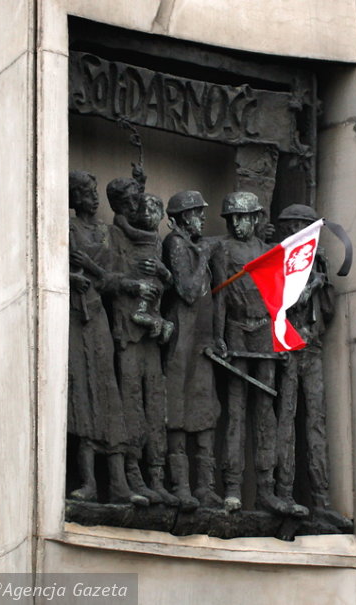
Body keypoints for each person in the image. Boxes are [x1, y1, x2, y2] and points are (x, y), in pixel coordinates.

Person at [67, 170, 148, 506]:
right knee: (82, 398)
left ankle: (118, 484)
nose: (93, 196)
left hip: (98, 316)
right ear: (74, 197)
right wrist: (71, 277)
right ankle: (88, 483)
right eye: (87, 191)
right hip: (75, 319)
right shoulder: (67, 228)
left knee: (108, 395)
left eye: (94, 190)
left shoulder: (105, 232)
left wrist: (91, 268)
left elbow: (116, 279)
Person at [213, 191, 290, 515]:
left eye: (243, 217)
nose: (237, 224)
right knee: (236, 410)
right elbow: (219, 296)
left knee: (265, 412)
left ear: (256, 218)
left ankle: (266, 489)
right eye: (232, 218)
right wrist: (218, 336)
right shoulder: (223, 249)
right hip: (236, 330)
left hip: (263, 331)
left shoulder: (268, 251)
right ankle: (232, 487)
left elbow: (277, 297)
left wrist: (281, 337)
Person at [277, 203, 350, 528]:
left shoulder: (317, 260)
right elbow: (281, 304)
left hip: (312, 347)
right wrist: (311, 286)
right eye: (301, 228)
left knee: (316, 424)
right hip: (289, 349)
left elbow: (328, 311)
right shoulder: (280, 260)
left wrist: (324, 282)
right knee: (286, 422)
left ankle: (321, 502)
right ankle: (283, 495)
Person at [106, 177, 177, 506]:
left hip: (151, 333)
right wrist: (132, 285)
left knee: (156, 405)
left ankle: (157, 477)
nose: (139, 207)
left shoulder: (153, 241)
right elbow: (104, 281)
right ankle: (133, 476)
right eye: (132, 202)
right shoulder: (114, 236)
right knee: (132, 405)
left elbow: (167, 288)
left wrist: (162, 274)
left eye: (140, 200)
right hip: (128, 334)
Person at [162, 191, 222, 510]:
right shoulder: (176, 243)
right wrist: (204, 255)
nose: (202, 218)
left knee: (204, 408)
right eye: (198, 213)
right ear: (184, 217)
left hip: (200, 341)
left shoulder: (193, 246)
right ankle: (181, 486)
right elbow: (187, 290)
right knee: (177, 410)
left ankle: (205, 487)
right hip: (181, 341)